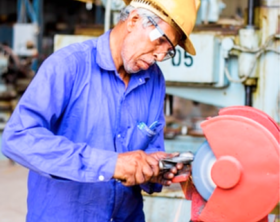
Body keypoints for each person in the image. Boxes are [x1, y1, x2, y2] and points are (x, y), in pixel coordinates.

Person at [2, 0, 200, 221]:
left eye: (169, 50)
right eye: (160, 40)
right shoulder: (68, 66)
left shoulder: (153, 80)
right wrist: (111, 164)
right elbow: (17, 137)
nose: (161, 56)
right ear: (134, 21)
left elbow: (149, 152)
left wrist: (156, 168)